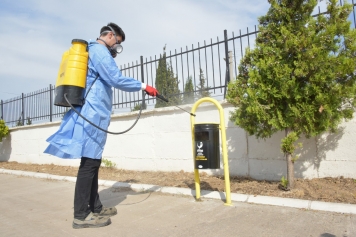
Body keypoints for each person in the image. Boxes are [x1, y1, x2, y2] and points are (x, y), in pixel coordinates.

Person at [44, 22, 159, 229]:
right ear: (109, 36)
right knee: (88, 164)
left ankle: (95, 207)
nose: (117, 47)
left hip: (97, 113)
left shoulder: (96, 51)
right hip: (92, 113)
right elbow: (115, 78)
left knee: (93, 162)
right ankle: (80, 215)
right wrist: (143, 85)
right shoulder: (99, 50)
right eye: (118, 42)